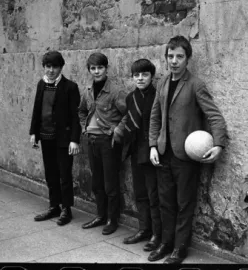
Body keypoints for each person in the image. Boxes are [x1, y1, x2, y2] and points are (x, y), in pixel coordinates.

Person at [149, 35, 227, 264]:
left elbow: (215, 117)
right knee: (166, 202)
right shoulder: (162, 83)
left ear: (188, 59)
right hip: (163, 153)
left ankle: (179, 248)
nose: (174, 61)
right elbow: (155, 117)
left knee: (184, 203)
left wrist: (219, 144)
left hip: (185, 157)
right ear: (166, 58)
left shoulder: (196, 85)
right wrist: (153, 145)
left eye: (179, 57)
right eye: (170, 56)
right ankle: (166, 243)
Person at [29, 51, 81, 226]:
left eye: (55, 67)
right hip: (45, 136)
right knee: (50, 173)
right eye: (48, 66)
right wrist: (33, 133)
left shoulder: (70, 87)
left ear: (61, 67)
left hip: (63, 138)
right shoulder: (41, 84)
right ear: (44, 67)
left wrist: (74, 139)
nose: (51, 70)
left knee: (64, 173)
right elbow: (37, 109)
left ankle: (66, 208)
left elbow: (76, 116)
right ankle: (54, 206)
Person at [79, 52, 127, 235]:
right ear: (89, 70)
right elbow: (81, 111)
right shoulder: (88, 90)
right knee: (97, 182)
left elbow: (128, 113)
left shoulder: (116, 91)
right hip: (92, 142)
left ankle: (112, 219)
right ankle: (100, 215)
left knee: (110, 183)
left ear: (106, 69)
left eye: (100, 68)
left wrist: (118, 130)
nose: (97, 71)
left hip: (109, 142)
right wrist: (84, 127)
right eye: (93, 68)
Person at [121, 59, 162, 251]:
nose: (140, 78)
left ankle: (157, 234)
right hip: (136, 151)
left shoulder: (158, 96)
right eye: (136, 75)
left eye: (144, 74)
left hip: (153, 153)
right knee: (140, 194)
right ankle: (144, 229)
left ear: (151, 76)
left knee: (154, 195)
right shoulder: (131, 97)